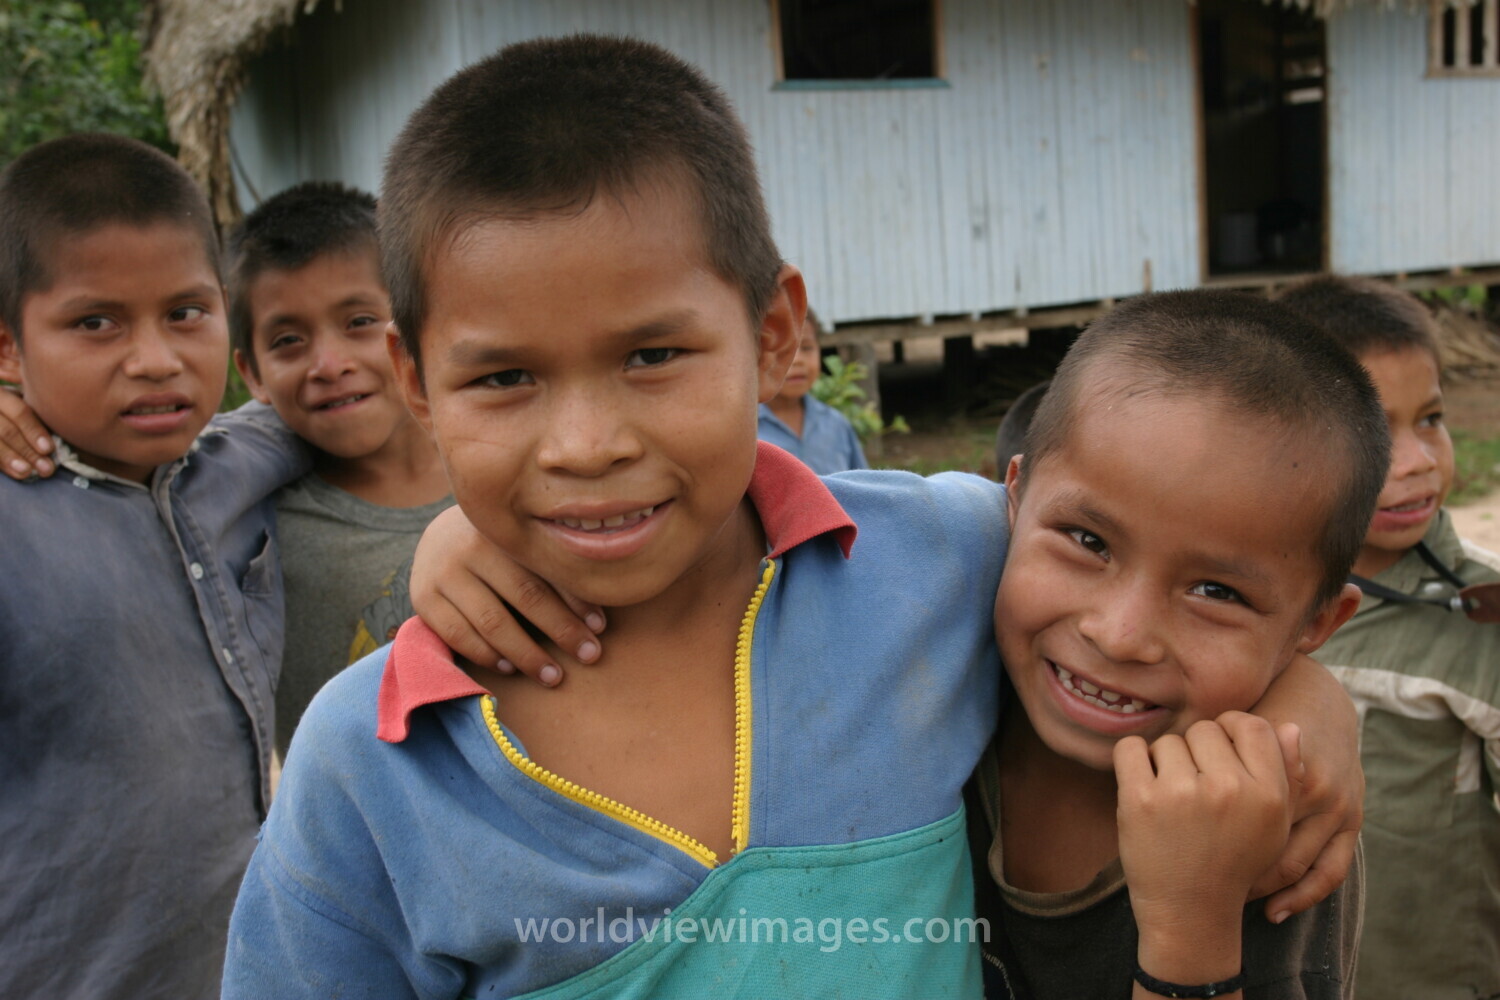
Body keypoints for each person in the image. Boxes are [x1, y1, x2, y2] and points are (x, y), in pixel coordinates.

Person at [223, 38, 1361, 998]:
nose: (587, 445)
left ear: (776, 333)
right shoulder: (374, 764)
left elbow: (1171, 586)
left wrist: (1317, 706)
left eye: (653, 355)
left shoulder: (936, 559)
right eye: (504, 381)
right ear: (415, 383)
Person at [969, 291, 1381, 999]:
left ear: (1317, 626)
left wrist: (1193, 929)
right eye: (1087, 541)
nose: (1121, 635)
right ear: (1014, 497)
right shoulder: (919, 676)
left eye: (1216, 593)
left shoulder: (1276, 837)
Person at [0, 133, 307, 998]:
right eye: (95, 323)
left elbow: (356, 398)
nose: (156, 358)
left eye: (186, 313)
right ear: (10, 351)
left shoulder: (241, 461)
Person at [1277, 275, 1500, 1000]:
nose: (1417, 461)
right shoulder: (1243, 607)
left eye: (1430, 419)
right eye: (1375, 429)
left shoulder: (1481, 615)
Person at [225, 182, 454, 756]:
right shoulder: (243, 518)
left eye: (357, 322)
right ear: (251, 373)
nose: (329, 365)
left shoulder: (504, 476)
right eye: (287, 341)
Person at [756, 307, 869, 474]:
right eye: (782, 351)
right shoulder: (746, 432)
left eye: (807, 348)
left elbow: (862, 489)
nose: (797, 360)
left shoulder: (836, 425)